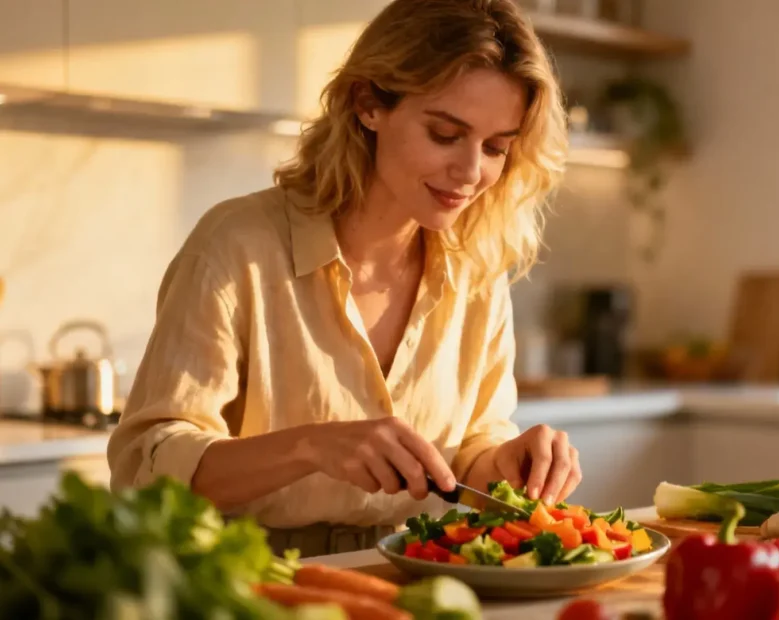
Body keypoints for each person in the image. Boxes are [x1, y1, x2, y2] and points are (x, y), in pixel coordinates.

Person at [107, 0, 581, 557]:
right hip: (247, 580)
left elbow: (475, 438)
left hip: (414, 575)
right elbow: (147, 466)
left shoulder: (476, 265)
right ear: (368, 103)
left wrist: (504, 461)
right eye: (445, 134)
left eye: (496, 147)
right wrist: (309, 447)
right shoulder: (237, 246)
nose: (472, 172)